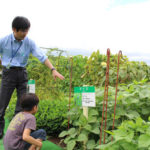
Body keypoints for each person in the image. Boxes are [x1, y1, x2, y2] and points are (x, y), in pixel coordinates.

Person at [0, 16, 64, 139]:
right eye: (22, 31)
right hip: (8, 73)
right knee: (2, 106)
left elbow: (42, 56)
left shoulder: (29, 42)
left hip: (22, 73)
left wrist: (53, 69)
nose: (25, 34)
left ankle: (16, 135)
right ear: (14, 29)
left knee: (22, 107)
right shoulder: (4, 41)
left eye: (27, 30)